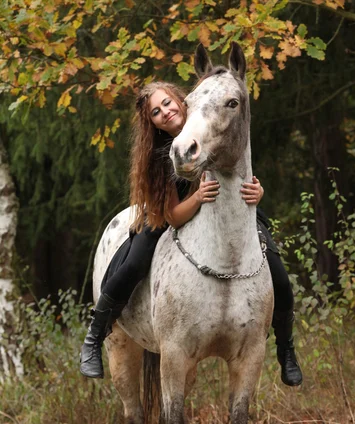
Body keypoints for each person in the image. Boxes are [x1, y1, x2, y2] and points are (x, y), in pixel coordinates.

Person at [80, 81, 302, 386]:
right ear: (152, 123)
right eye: (156, 112)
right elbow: (171, 215)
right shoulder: (158, 152)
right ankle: (95, 335)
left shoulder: (212, 125)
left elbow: (239, 169)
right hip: (167, 215)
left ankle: (286, 348)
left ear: (181, 99)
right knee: (132, 263)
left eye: (167, 103)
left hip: (225, 213)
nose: (165, 112)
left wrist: (256, 190)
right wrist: (196, 198)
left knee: (276, 269)